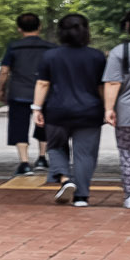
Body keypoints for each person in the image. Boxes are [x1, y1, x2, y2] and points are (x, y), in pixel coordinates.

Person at [34, 12, 107, 207]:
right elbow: (102, 87)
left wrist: (36, 108)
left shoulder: (50, 55)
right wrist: (108, 109)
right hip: (90, 111)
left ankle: (66, 179)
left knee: (56, 147)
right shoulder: (97, 56)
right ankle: (82, 197)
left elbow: (42, 83)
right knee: (86, 154)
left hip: (57, 111)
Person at [0, 13, 54, 177]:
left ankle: (24, 163)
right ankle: (43, 158)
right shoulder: (51, 47)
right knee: (44, 123)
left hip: (19, 91)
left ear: (19, 28)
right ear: (40, 27)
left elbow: (4, 71)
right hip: (45, 93)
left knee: (19, 125)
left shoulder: (14, 47)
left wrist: (1, 89)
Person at [103, 12, 130, 209]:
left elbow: (112, 82)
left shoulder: (120, 51)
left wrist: (109, 108)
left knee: (129, 154)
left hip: (128, 113)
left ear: (128, 27)